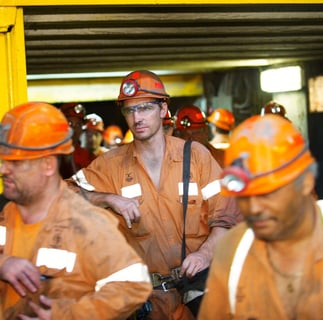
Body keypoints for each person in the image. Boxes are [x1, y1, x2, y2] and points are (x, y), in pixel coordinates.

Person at [68, 70, 242, 319]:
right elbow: (63, 193)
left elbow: (226, 219)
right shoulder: (110, 166)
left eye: (145, 108)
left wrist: (205, 254)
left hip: (197, 292)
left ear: (163, 109)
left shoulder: (196, 158)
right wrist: (106, 198)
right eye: (129, 110)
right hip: (147, 301)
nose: (137, 117)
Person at [0, 102, 152, 320]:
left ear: (48, 166)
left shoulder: (86, 224)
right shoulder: (5, 214)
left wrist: (65, 316)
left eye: (14, 162)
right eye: (3, 160)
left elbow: (133, 286)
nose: (4, 170)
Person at [198, 114, 323, 320]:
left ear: (306, 183)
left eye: (267, 194)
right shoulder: (233, 249)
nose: (254, 209)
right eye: (245, 196)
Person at [59, 102, 94, 178]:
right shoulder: (52, 154)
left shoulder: (87, 157)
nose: (74, 129)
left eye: (78, 124)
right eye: (70, 124)